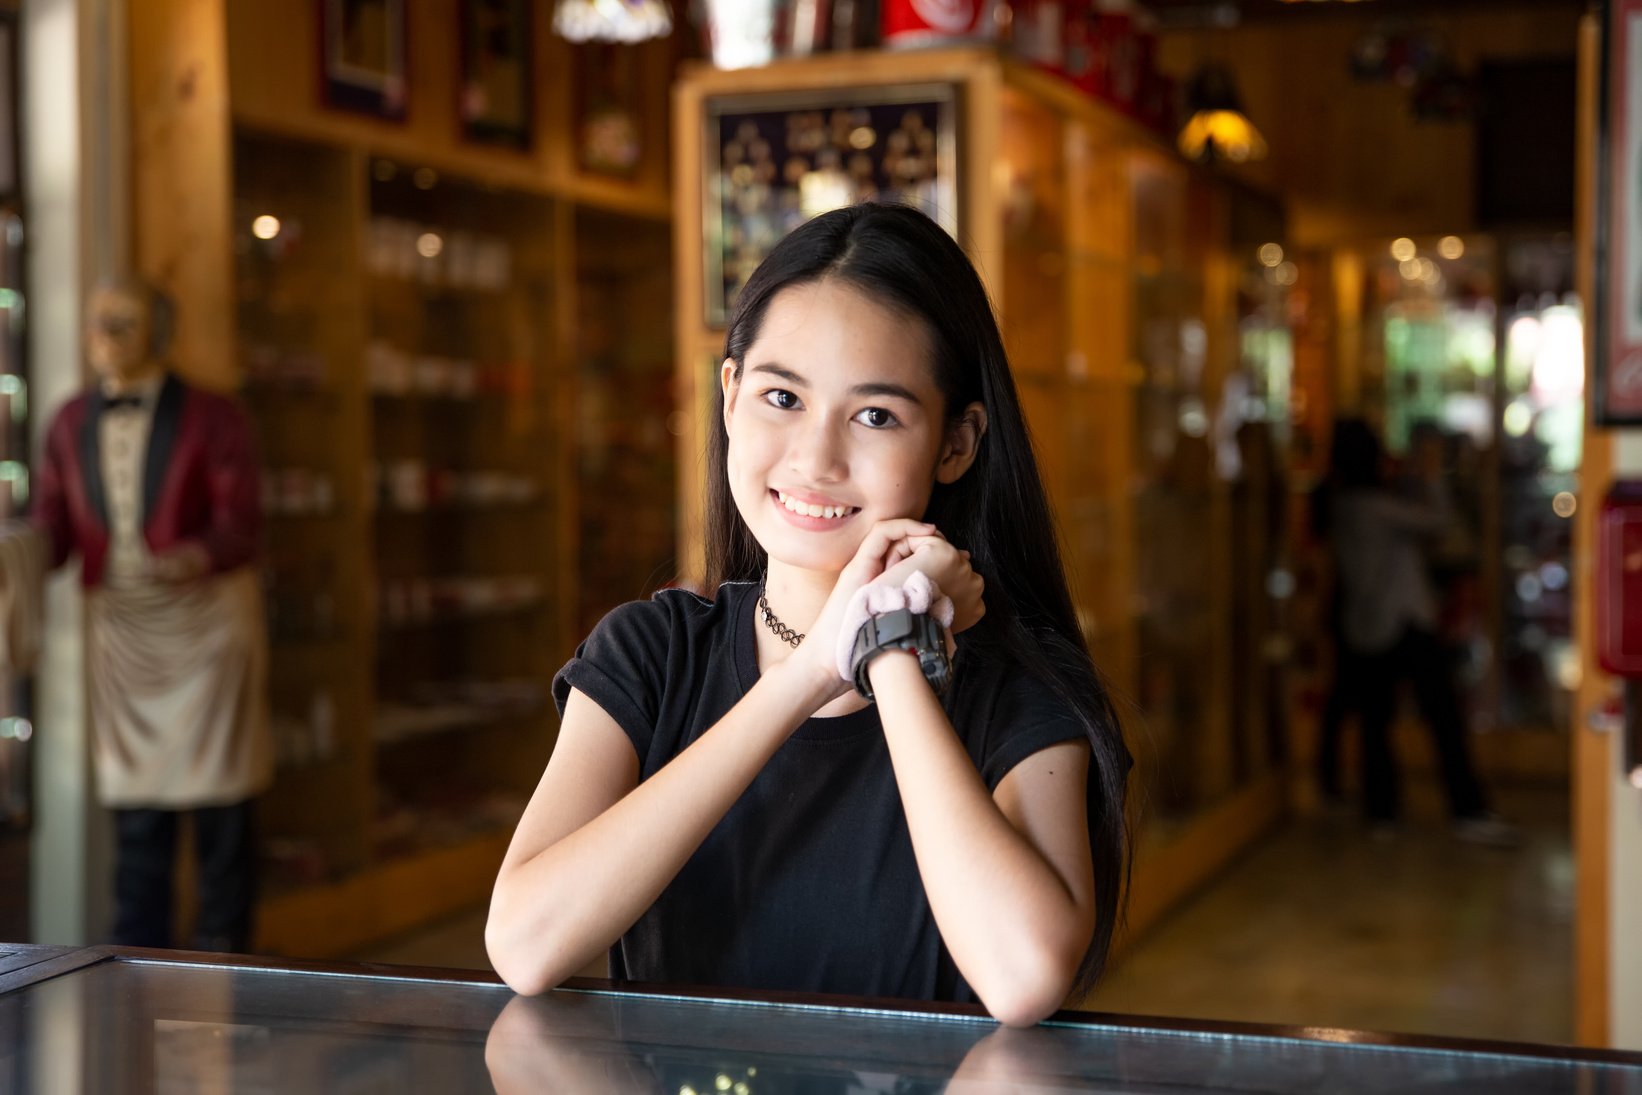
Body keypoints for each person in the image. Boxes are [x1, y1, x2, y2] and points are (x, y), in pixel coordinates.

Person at [487, 203, 1132, 1027]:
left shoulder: (1018, 691)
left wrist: (890, 646)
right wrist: (808, 673)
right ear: (728, 396)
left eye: (875, 415)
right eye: (781, 396)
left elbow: (1024, 976)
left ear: (956, 443)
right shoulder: (650, 655)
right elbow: (525, 943)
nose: (815, 459)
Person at [30, 278, 271, 950]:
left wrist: (194, 555)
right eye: (96, 321)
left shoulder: (215, 417)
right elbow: (52, 525)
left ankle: (229, 972)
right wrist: (17, 548)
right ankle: (139, 966)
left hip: (208, 628)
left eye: (122, 322)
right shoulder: (68, 421)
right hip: (122, 634)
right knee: (137, 828)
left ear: (158, 332)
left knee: (223, 821)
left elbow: (241, 521)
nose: (103, 334)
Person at [1325, 418, 1514, 845]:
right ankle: (1467, 809)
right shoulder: (1374, 506)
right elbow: (1438, 523)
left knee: (1376, 724)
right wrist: (1431, 477)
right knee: (1443, 719)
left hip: (1365, 626)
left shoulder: (1344, 505)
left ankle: (1383, 810)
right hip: (1404, 623)